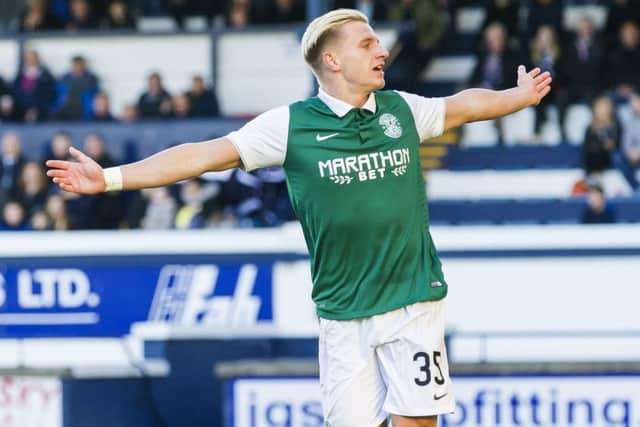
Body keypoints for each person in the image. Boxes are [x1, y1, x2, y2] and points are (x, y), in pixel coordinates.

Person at [46, 9, 551, 427]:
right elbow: (200, 156)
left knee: (418, 422)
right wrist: (110, 178)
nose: (382, 52)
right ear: (332, 60)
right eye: (368, 44)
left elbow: (461, 105)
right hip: (343, 314)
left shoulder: (400, 110)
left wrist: (517, 97)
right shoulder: (290, 126)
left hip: (414, 300)